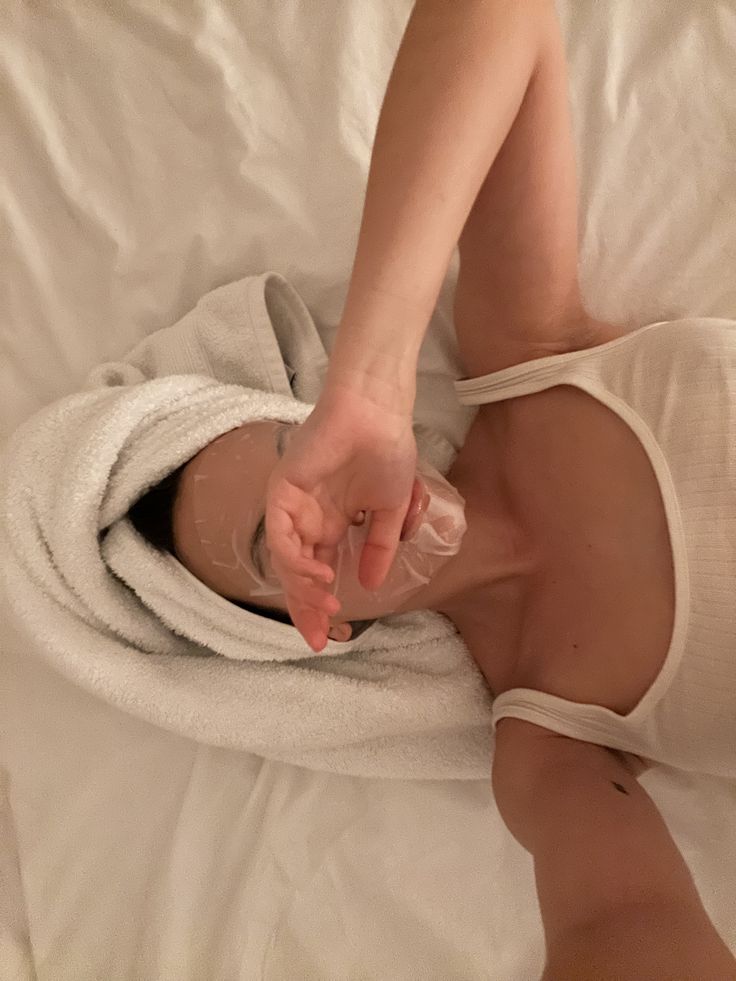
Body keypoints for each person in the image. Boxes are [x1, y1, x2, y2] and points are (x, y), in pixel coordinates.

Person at [247, 0, 736, 976]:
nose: (324, 516)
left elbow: (502, 13)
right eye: (274, 551)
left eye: (285, 460)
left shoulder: (526, 357)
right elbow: (619, 923)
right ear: (318, 639)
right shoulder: (551, 739)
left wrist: (372, 382)